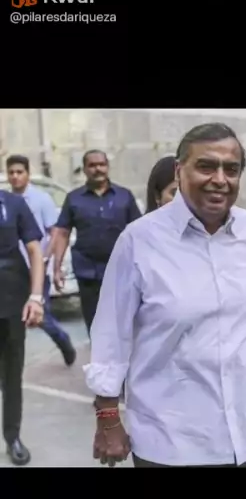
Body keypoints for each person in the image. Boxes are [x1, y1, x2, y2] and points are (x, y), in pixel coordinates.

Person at [83, 123, 246, 467]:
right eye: (206, 166)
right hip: (174, 440)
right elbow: (111, 335)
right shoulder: (138, 240)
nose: (220, 179)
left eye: (231, 169)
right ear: (179, 170)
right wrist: (108, 418)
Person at [52, 150, 142, 336]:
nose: (97, 169)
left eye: (101, 164)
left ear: (107, 167)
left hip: (121, 270)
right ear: (84, 169)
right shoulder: (74, 198)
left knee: (124, 323)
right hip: (88, 273)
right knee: (94, 324)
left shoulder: (124, 196)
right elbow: (62, 232)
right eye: (92, 165)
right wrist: (57, 268)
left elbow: (139, 232)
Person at [6, 155, 76, 366]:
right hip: (14, 271)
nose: (15, 176)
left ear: (28, 174)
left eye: (20, 172)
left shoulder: (41, 199)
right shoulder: (7, 202)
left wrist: (46, 257)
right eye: (11, 172)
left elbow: (54, 231)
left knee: (40, 317)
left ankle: (64, 342)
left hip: (37, 268)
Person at [0, 188, 45, 465]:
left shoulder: (13, 204)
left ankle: (12, 437)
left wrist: (36, 297)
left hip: (11, 298)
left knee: (12, 374)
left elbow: (34, 250)